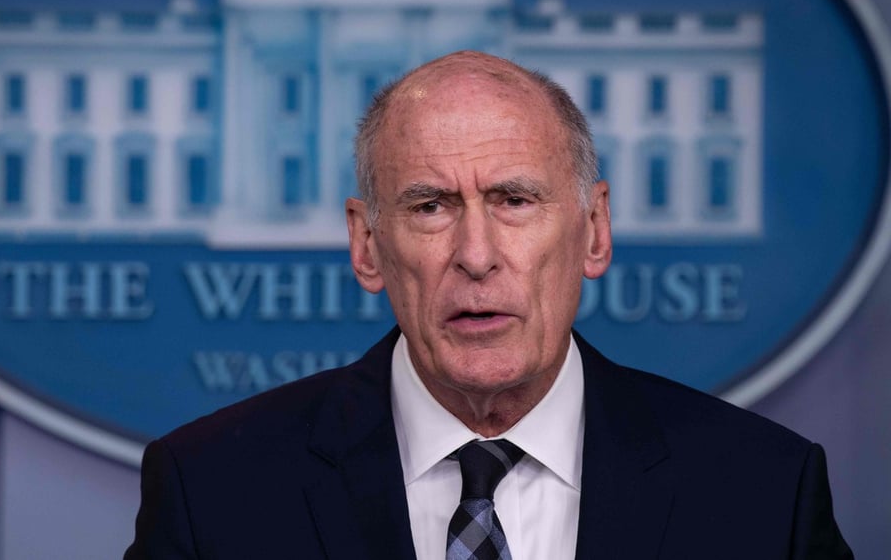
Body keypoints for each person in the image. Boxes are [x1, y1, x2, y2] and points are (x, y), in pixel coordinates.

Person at [124, 51, 852, 559]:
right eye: (431, 205)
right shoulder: (211, 492)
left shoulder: (763, 493)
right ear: (368, 246)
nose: (476, 254)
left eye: (514, 199)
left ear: (594, 230)